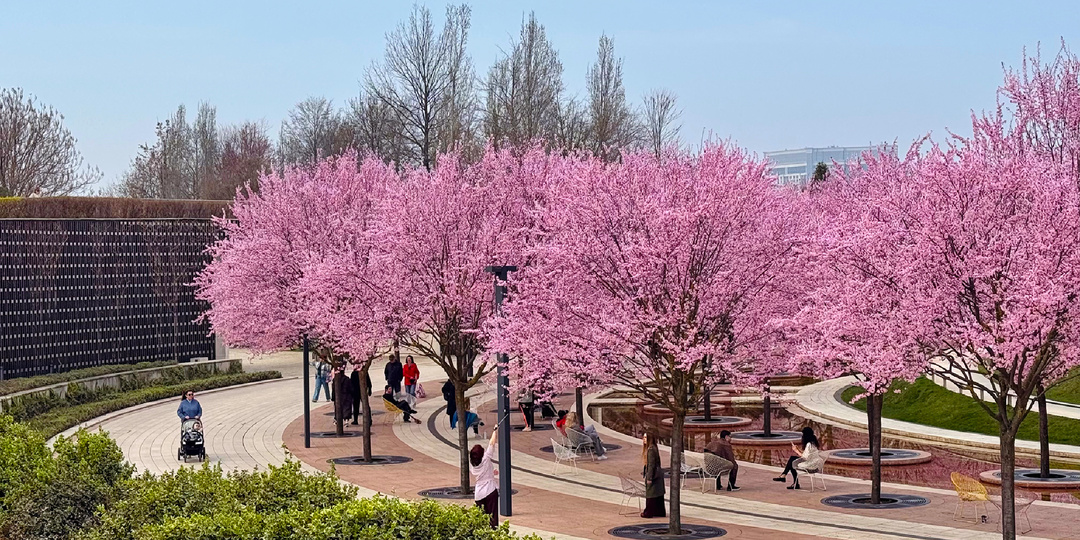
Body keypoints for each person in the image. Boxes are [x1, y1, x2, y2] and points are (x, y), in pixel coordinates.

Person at [470, 429, 500, 528]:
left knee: (481, 521)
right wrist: (495, 431)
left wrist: (491, 472)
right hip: (490, 491)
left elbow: (483, 473)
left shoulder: (473, 466)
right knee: (493, 519)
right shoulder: (486, 459)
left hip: (479, 494)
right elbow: (492, 443)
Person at [641, 432, 665, 518]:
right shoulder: (654, 447)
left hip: (654, 476)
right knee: (658, 494)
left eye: (645, 438)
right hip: (658, 475)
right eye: (643, 438)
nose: (643, 440)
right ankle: (659, 511)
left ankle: (649, 512)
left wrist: (649, 478)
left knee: (651, 493)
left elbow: (651, 465)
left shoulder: (651, 450)